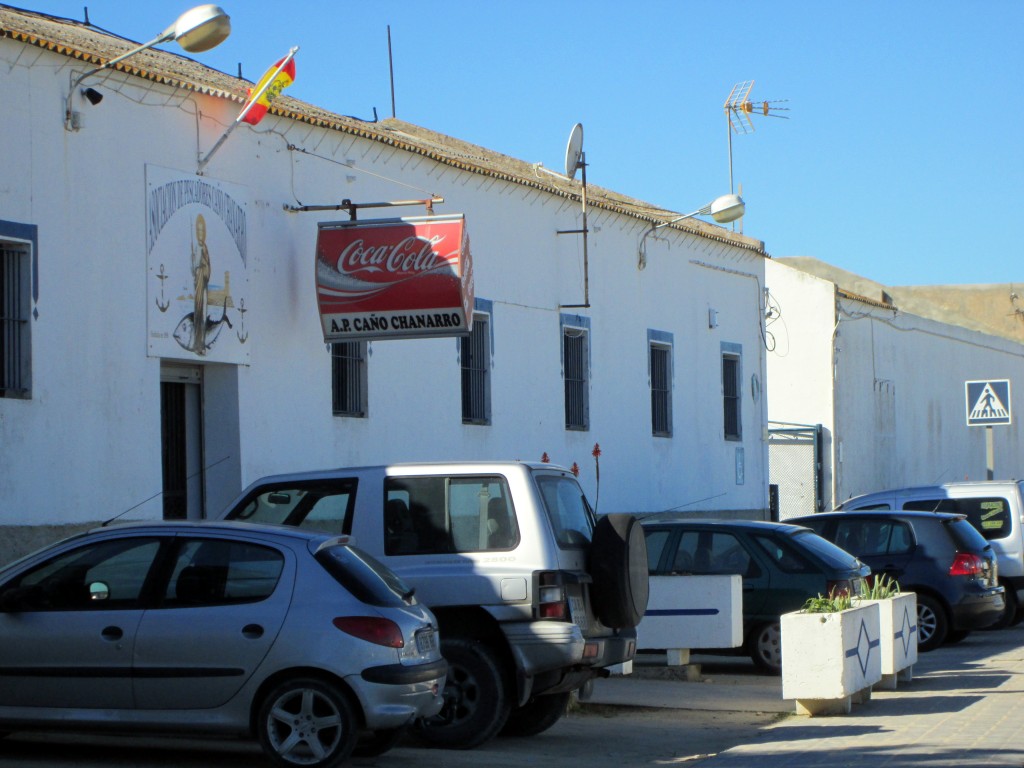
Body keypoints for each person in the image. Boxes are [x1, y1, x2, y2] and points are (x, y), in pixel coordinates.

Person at [191, 214, 211, 354]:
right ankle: (197, 343)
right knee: (198, 314)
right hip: (197, 286)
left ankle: (202, 343)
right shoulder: (196, 247)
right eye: (198, 231)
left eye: (202, 231)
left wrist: (204, 268)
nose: (200, 234)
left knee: (203, 314)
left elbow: (209, 267)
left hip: (203, 285)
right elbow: (193, 267)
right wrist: (197, 267)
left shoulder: (205, 247)